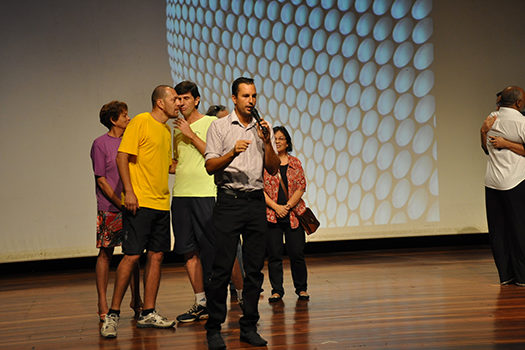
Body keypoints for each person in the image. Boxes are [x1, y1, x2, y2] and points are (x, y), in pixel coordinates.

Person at [204, 77, 280, 349]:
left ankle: (249, 326)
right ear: (234, 98)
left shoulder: (261, 129)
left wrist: (267, 142)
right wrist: (232, 154)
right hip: (229, 201)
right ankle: (213, 328)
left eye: (254, 96)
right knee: (222, 267)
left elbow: (272, 169)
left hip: (255, 202)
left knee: (254, 269)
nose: (251, 101)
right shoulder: (220, 127)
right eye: (246, 96)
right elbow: (211, 166)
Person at [100, 85, 178, 338]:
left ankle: (148, 312)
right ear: (160, 103)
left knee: (156, 256)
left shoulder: (166, 130)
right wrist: (130, 192)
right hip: (140, 202)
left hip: (161, 203)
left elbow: (166, 165)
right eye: (174, 99)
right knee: (132, 256)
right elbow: (123, 157)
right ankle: (112, 314)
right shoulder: (142, 122)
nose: (178, 103)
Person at [90, 101, 142, 322]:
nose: (128, 119)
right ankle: (103, 302)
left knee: (134, 253)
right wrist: (119, 202)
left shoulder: (130, 141)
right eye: (124, 116)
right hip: (111, 207)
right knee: (106, 253)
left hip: (132, 204)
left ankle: (136, 298)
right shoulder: (100, 144)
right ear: (113, 120)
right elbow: (101, 180)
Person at [171, 81, 217, 323]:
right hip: (181, 195)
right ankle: (201, 303)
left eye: (185, 98)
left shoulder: (211, 123)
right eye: (177, 99)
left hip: (205, 193)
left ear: (197, 100)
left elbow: (215, 155)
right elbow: (178, 162)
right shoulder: (176, 128)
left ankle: (216, 301)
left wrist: (190, 134)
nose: (180, 103)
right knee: (188, 250)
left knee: (211, 250)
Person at [481, 86, 525, 286]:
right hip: (514, 182)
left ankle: (506, 276)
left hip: (492, 182)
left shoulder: (491, 118)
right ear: (518, 103)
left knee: (498, 231)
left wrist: (485, 132)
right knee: (519, 229)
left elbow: (486, 148)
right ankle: (522, 277)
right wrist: (508, 144)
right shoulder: (521, 122)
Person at [263, 126, 310, 302]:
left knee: (297, 253)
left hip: (294, 215)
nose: (277, 141)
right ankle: (277, 290)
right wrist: (276, 207)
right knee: (274, 255)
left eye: (281, 138)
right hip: (272, 215)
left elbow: (301, 186)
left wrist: (288, 206)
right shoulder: (266, 163)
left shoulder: (295, 162)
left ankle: (302, 288)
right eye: (274, 139)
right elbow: (260, 189)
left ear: (287, 142)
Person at [206, 104, 245, 305]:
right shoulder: (214, 138)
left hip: (236, 199)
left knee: (237, 247)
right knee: (225, 247)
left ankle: (240, 289)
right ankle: (230, 289)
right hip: (215, 198)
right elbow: (210, 165)